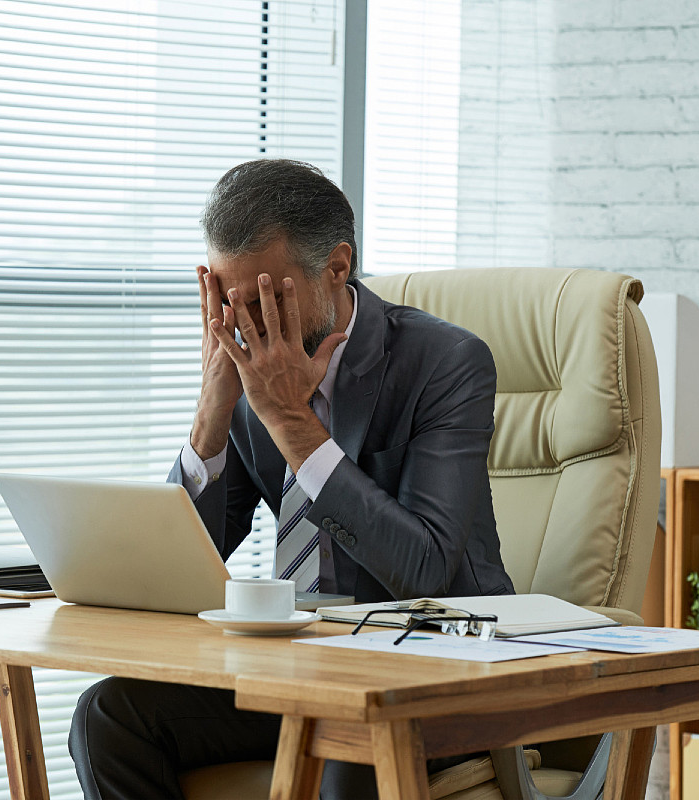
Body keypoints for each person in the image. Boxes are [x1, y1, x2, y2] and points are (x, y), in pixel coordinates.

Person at [69, 159, 514, 799]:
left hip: (431, 669)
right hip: (300, 669)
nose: (242, 325)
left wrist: (290, 419)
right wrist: (211, 413)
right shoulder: (249, 374)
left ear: (336, 267)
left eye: (262, 301)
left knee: (346, 744)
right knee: (108, 717)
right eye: (226, 301)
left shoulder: (445, 362)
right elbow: (184, 563)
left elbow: (424, 568)